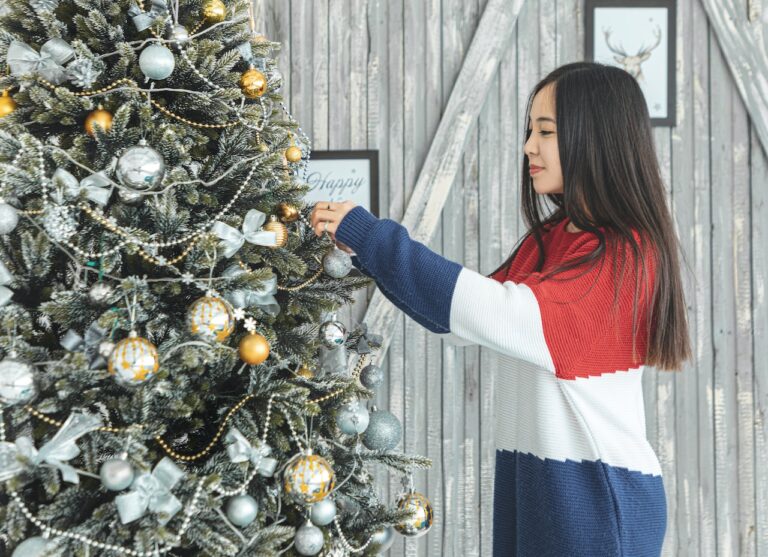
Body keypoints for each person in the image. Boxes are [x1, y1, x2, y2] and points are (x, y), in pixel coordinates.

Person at [309, 61, 691, 557]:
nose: (529, 146)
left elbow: (498, 313)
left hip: (596, 502)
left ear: (595, 137)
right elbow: (462, 324)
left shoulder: (626, 256)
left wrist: (372, 236)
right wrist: (366, 253)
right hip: (538, 491)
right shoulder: (553, 240)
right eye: (531, 130)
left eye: (546, 131)